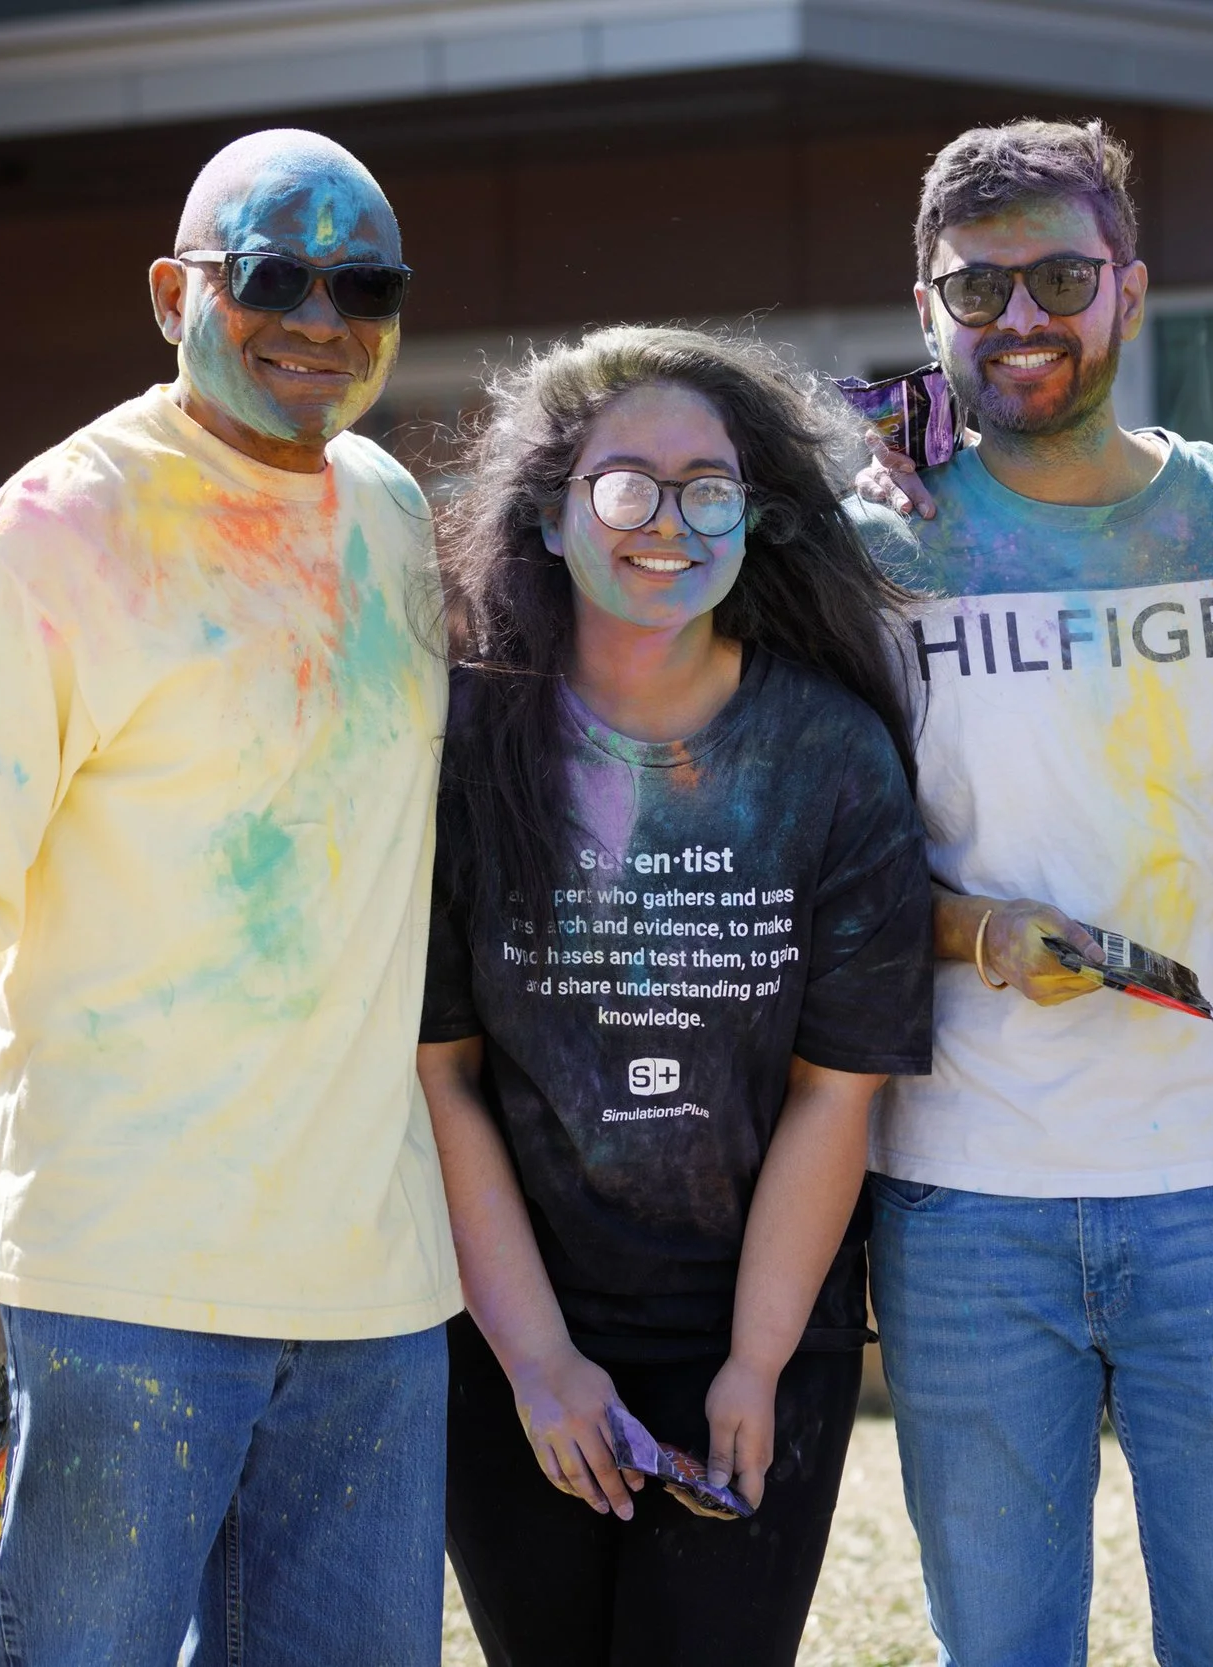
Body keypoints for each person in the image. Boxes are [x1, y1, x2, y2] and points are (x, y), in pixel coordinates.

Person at [0, 130, 456, 1665]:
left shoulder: (392, 511)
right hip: (119, 1285)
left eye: (361, 283)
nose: (322, 315)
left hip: (376, 1291)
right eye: (275, 277)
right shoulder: (47, 536)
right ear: (174, 290)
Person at [849, 120, 1213, 1664]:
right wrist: (980, 928)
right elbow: (830, 863)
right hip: (963, 1195)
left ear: (1131, 287)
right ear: (928, 308)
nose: (1021, 318)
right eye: (976, 286)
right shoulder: (869, 560)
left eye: (1061, 274)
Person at [420, 326, 933, 1666]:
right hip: (511, 1330)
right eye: (627, 481)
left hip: (761, 1338)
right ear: (550, 506)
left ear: (754, 517)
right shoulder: (466, 744)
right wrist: (538, 1360)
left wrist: (757, 1360)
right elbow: (443, 1074)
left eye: (708, 485)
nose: (670, 519)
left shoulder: (832, 754)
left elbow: (837, 1089)